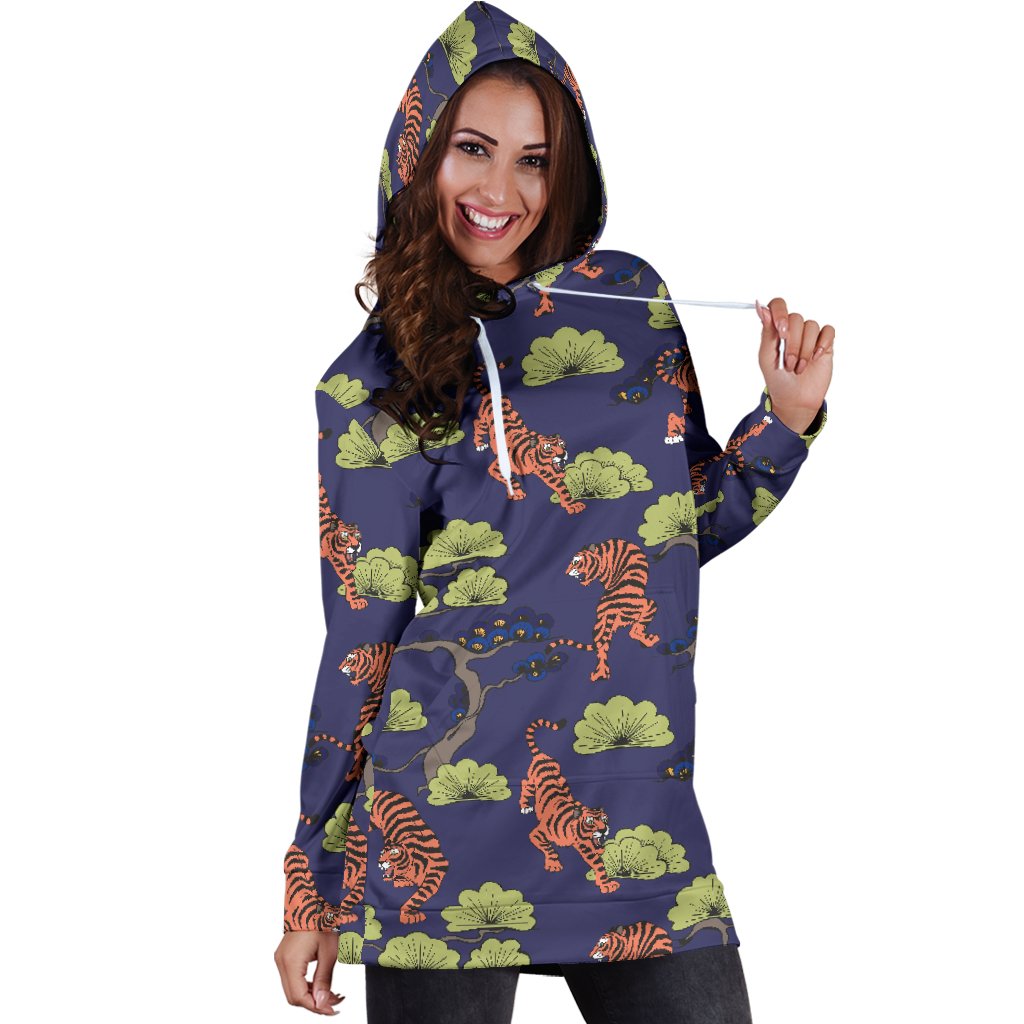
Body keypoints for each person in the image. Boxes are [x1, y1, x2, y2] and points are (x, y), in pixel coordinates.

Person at [274, 3, 833, 1021]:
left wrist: (784, 421)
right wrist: (311, 878)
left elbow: (675, 534)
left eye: (533, 160)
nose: (500, 192)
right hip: (437, 838)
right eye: (472, 149)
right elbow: (359, 643)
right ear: (418, 156)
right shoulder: (366, 388)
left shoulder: (631, 305)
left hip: (636, 824)